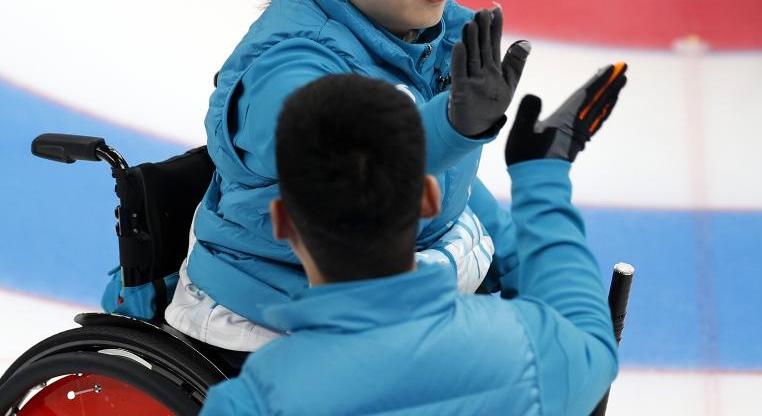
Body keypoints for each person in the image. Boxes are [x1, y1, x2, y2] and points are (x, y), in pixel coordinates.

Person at [165, 0, 531, 353]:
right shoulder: (286, 68)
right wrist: (452, 125)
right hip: (282, 315)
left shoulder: (429, 32)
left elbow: (451, 189)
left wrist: (527, 266)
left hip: (393, 289)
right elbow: (345, 163)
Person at [200, 67, 627, 415]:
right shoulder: (530, 350)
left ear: (282, 221)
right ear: (428, 199)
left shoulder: (251, 402)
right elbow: (592, 340)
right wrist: (542, 178)